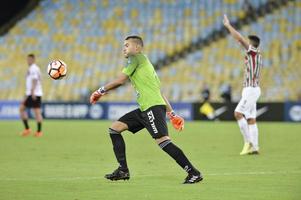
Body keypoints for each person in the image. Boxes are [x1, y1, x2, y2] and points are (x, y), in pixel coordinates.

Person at [90, 36, 203, 184]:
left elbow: (120, 80)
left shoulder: (135, 58)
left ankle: (194, 173)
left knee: (163, 142)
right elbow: (159, 92)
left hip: (152, 108)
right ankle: (123, 170)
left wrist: (100, 91)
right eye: (123, 46)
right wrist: (172, 113)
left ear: (137, 48)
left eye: (127, 45)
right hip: (145, 108)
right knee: (114, 129)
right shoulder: (146, 64)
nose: (124, 48)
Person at [223, 15, 262, 155]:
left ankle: (248, 142)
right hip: (252, 89)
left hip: (251, 90)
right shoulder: (255, 55)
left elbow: (239, 38)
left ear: (253, 44)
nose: (245, 43)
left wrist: (228, 25)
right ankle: (255, 147)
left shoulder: (253, 52)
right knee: (251, 118)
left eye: (248, 42)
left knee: (238, 113)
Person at [19, 54, 43, 137]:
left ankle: (37, 131)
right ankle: (29, 129)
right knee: (22, 109)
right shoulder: (32, 68)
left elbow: (35, 79)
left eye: (29, 59)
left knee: (36, 112)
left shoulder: (34, 68)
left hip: (34, 93)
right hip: (31, 93)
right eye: (27, 59)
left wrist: (32, 92)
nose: (28, 61)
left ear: (33, 60)